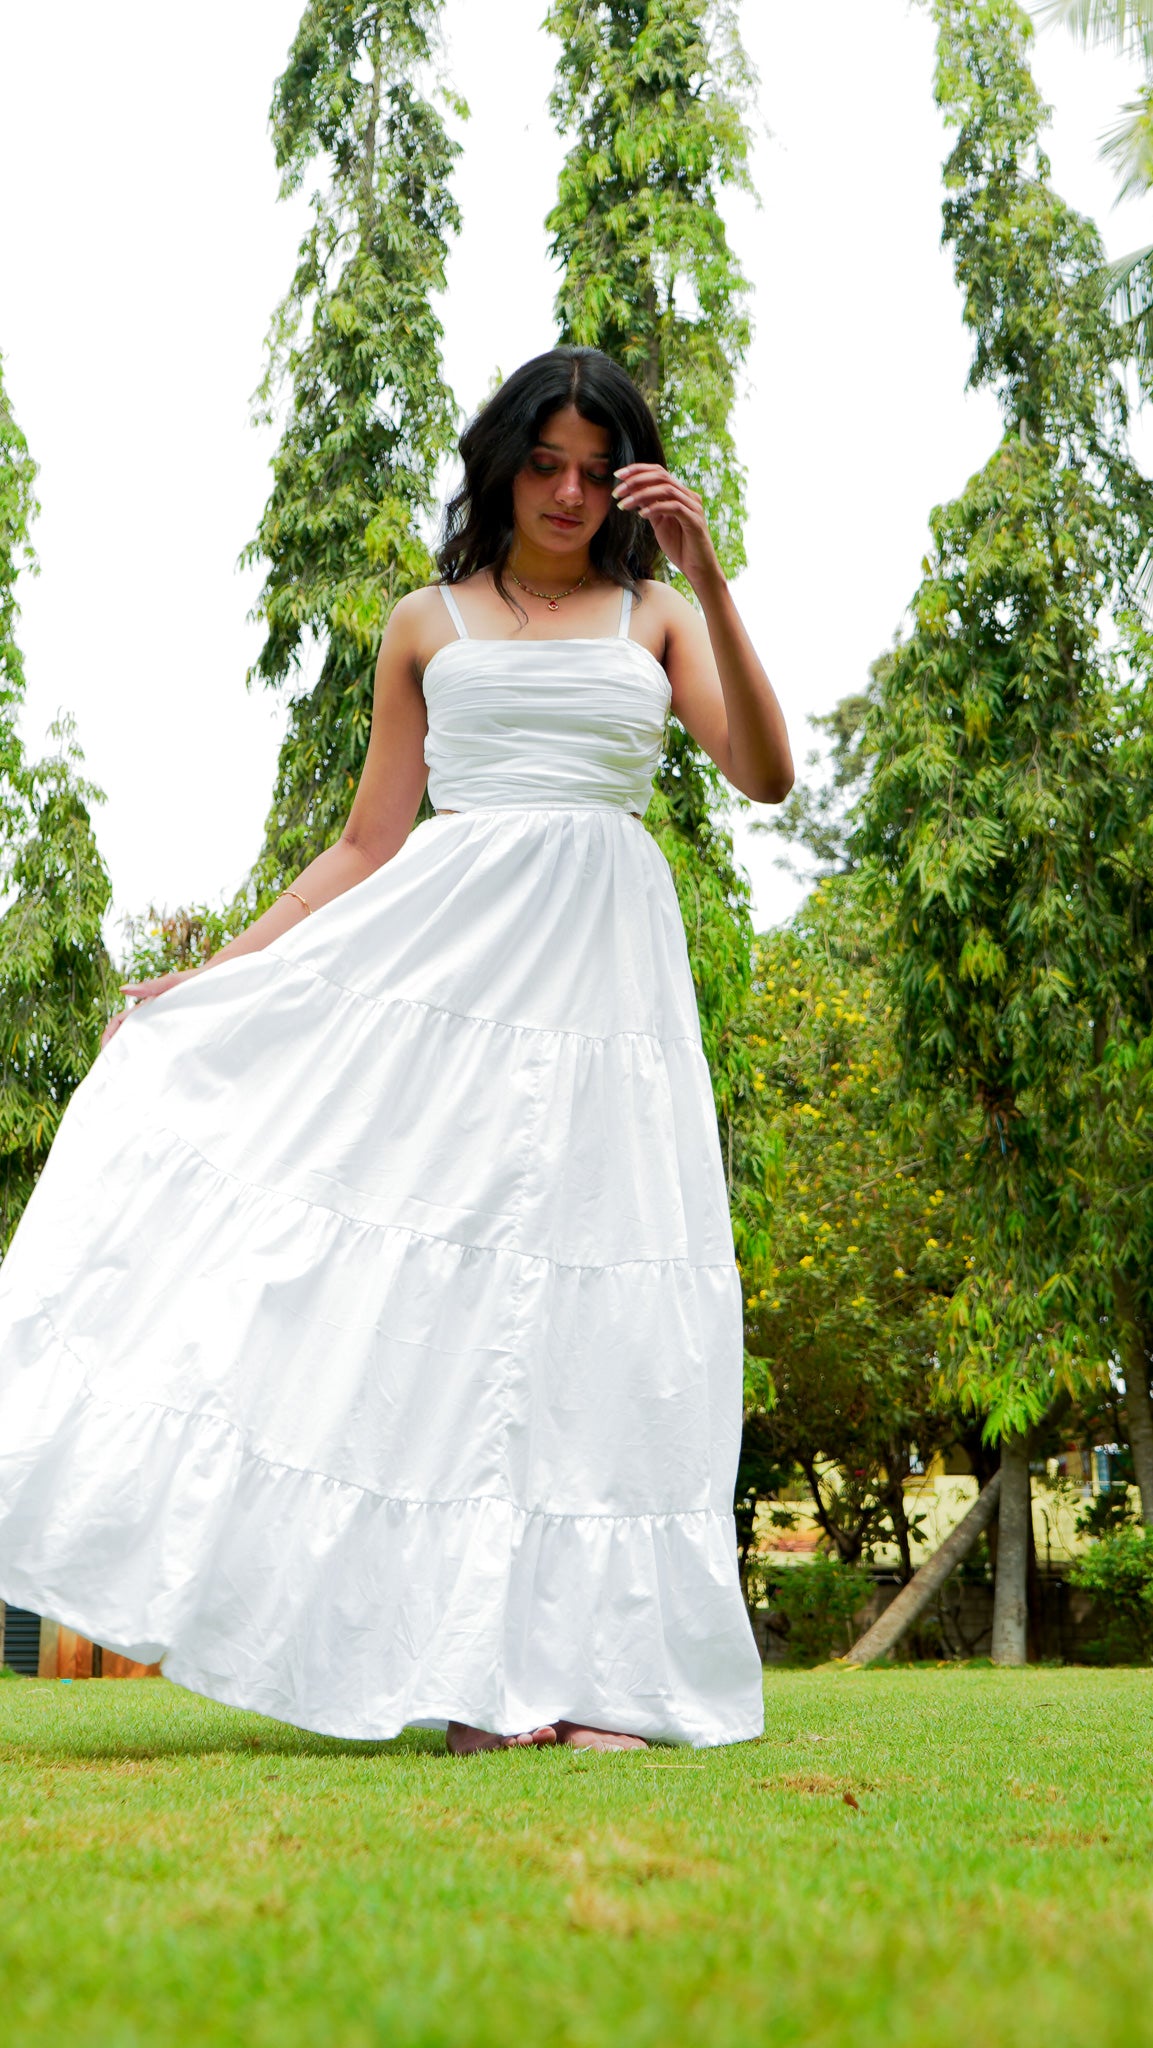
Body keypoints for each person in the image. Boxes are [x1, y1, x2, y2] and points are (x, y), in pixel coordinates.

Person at [0, 346, 792, 1753]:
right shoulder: (423, 623)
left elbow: (763, 776)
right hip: (450, 973)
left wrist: (710, 578)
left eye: (592, 468)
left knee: (589, 1312)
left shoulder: (659, 615)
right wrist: (219, 972)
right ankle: (465, 1682)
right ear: (500, 463)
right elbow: (369, 840)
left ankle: (582, 1682)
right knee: (436, 1308)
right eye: (540, 462)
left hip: (606, 983)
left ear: (629, 480)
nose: (564, 491)